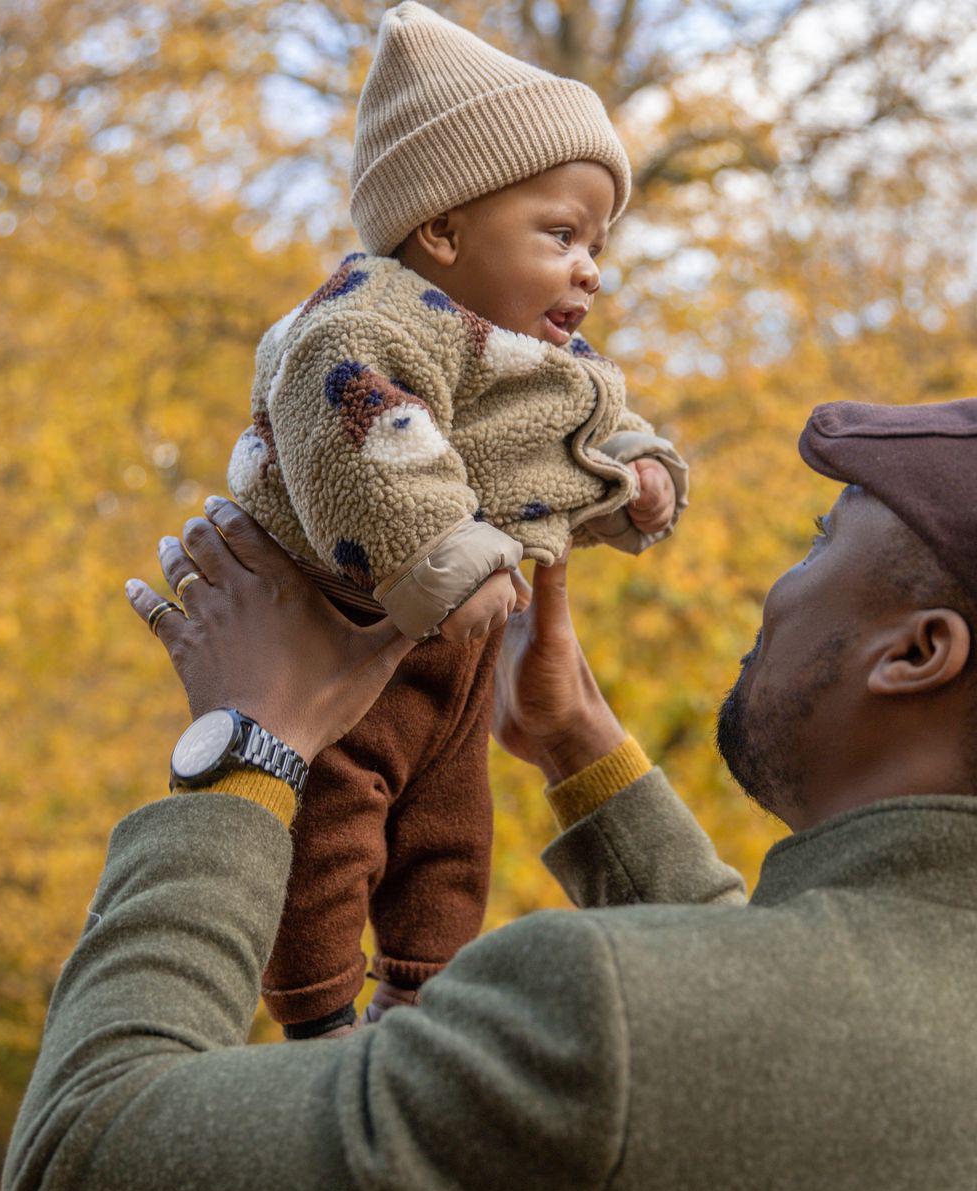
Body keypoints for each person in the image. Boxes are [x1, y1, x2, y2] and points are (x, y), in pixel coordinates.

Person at [8, 395, 977, 1190]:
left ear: (917, 652)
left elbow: (87, 1144)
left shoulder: (598, 1015)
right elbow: (804, 1023)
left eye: (823, 540)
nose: (778, 585)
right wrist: (578, 747)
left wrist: (249, 742)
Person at [215, 2, 687, 1039]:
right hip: (344, 632)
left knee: (450, 829)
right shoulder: (359, 318)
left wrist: (640, 473)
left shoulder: (523, 352)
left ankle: (426, 985)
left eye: (598, 243)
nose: (590, 268)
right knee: (332, 826)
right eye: (560, 235)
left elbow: (583, 420)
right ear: (443, 228)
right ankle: (318, 1013)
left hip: (460, 650)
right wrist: (437, 552)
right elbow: (362, 430)